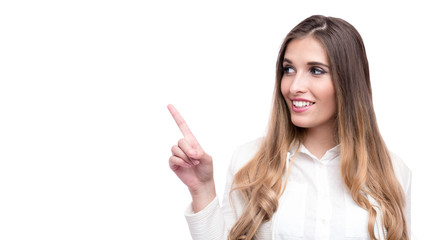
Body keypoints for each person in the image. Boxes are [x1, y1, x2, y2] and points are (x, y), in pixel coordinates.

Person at [167, 15, 411, 240]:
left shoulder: (392, 171)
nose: (294, 86)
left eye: (315, 70)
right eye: (289, 69)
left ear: (348, 81)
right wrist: (202, 190)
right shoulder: (250, 162)